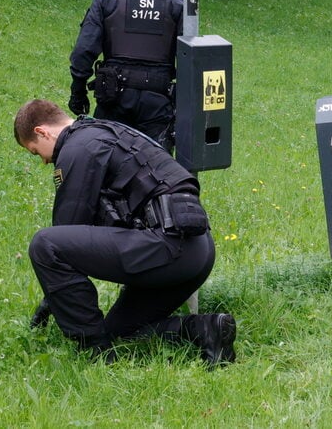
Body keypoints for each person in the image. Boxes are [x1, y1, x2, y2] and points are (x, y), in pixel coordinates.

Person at [13, 99, 236, 367]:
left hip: (168, 249)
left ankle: (96, 355)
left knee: (44, 244)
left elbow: (65, 234)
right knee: (119, 330)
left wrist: (55, 296)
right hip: (196, 251)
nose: (45, 160)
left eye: (37, 152)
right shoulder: (106, 132)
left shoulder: (78, 147)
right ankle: (206, 329)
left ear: (42, 132)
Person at [68, 0, 183, 151]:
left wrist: (78, 91)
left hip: (113, 97)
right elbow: (190, 58)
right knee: (155, 170)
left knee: (106, 162)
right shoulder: (176, 2)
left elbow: (84, 50)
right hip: (158, 100)